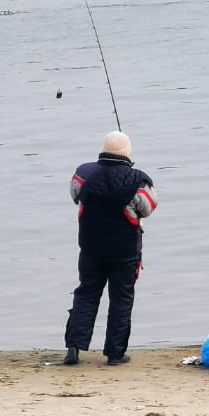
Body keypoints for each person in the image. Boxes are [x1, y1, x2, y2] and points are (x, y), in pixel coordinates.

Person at [63, 131, 157, 366]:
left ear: (103, 148)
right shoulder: (139, 180)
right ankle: (114, 354)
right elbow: (148, 208)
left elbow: (75, 195)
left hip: (91, 248)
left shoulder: (83, 173)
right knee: (121, 300)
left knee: (86, 294)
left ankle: (73, 348)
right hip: (125, 252)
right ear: (127, 152)